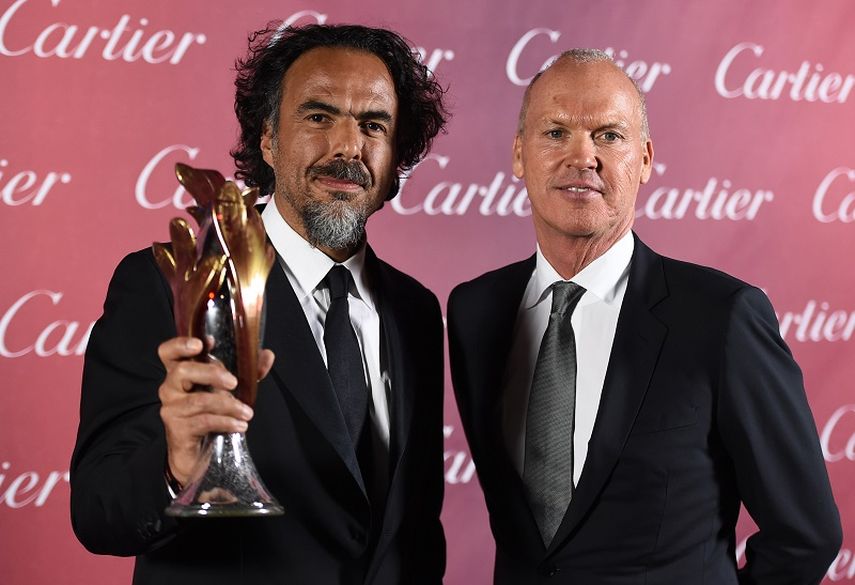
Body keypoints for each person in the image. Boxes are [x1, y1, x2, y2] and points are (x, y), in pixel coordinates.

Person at [71, 23, 448, 585]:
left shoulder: (415, 311)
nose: (347, 146)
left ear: (397, 157)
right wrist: (175, 467)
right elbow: (98, 510)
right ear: (267, 139)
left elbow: (409, 526)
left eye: (373, 125)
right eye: (318, 117)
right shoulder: (167, 283)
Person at [447, 49, 841, 584]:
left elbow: (806, 536)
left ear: (647, 159)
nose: (582, 156)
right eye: (556, 133)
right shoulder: (475, 311)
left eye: (609, 135)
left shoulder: (722, 318)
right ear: (519, 155)